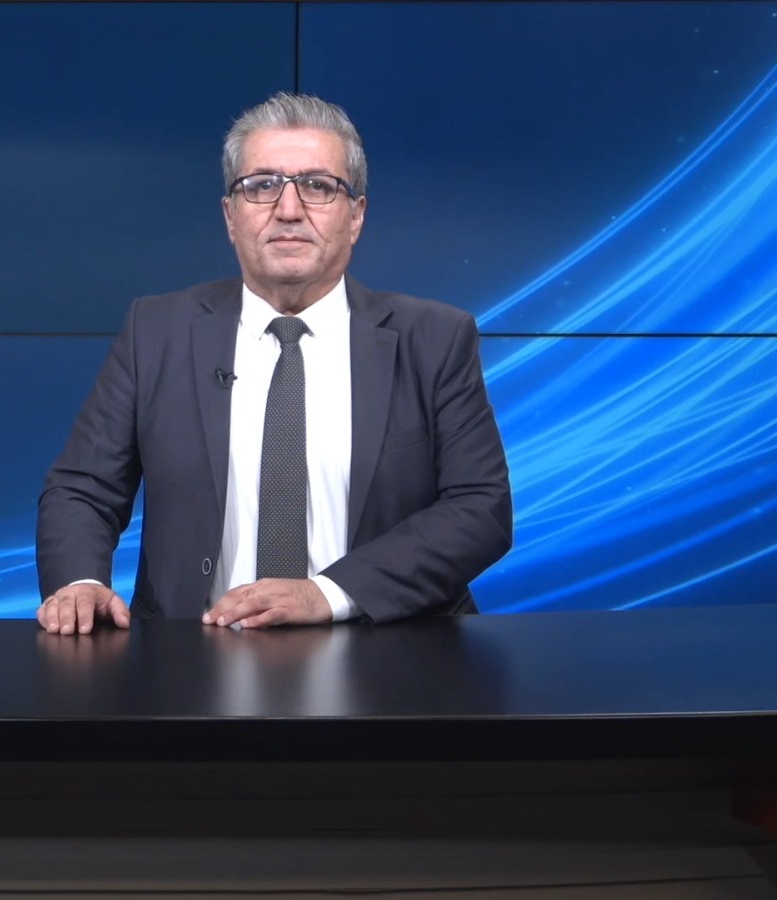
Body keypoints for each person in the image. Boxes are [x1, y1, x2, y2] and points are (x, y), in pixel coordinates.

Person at [35, 92, 512, 634]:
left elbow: (480, 508)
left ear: (356, 215)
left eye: (318, 186)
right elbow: (82, 489)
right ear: (230, 215)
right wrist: (80, 583)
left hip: (390, 650)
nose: (288, 210)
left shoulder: (435, 338)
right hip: (191, 654)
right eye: (261, 186)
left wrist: (327, 594)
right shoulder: (156, 330)